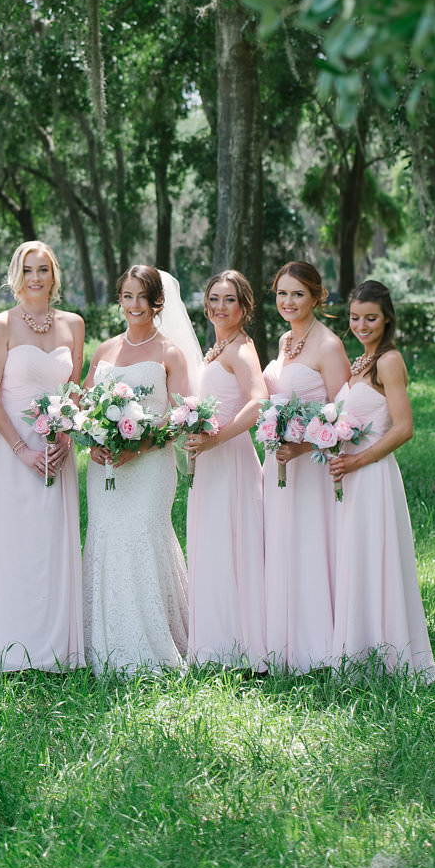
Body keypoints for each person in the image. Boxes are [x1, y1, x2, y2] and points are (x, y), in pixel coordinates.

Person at [0, 241, 84, 672]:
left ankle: (56, 647)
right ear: (16, 275)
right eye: (28, 269)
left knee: (52, 542)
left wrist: (67, 437)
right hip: (12, 450)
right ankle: (10, 645)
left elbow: (73, 389)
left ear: (54, 274)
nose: (35, 278)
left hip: (57, 450)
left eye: (43, 270)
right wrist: (20, 449)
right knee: (14, 541)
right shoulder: (1, 325)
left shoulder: (74, 324)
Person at [328, 281, 435, 680]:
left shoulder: (388, 362)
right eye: (356, 318)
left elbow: (404, 428)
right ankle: (359, 650)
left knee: (376, 558)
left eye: (371, 318)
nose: (362, 325)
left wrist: (358, 460)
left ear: (387, 318)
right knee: (356, 558)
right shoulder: (360, 361)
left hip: (374, 475)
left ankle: (391, 652)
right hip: (352, 476)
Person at [82, 265, 189, 674]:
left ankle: (159, 644)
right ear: (120, 299)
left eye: (143, 296)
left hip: (151, 465)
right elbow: (85, 404)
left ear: (157, 301)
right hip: (106, 467)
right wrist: (92, 439)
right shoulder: (105, 351)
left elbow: (182, 412)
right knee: (108, 537)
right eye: (128, 296)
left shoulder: (169, 353)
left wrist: (142, 444)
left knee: (144, 534)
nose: (135, 305)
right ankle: (106, 646)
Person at [262, 259, 350, 671]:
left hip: (312, 467)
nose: (289, 301)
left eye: (298, 293)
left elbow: (345, 415)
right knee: (284, 546)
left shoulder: (329, 346)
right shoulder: (284, 341)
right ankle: (285, 642)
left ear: (317, 296)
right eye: (282, 293)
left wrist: (302, 446)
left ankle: (317, 647)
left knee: (310, 546)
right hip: (279, 466)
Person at [186, 268, 269, 670]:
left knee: (234, 547)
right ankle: (216, 643)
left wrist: (218, 438)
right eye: (214, 299)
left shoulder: (240, 350)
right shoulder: (217, 349)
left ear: (245, 307)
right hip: (209, 463)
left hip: (231, 459)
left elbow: (258, 401)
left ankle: (240, 645)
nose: (220, 307)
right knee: (213, 546)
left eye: (230, 300)